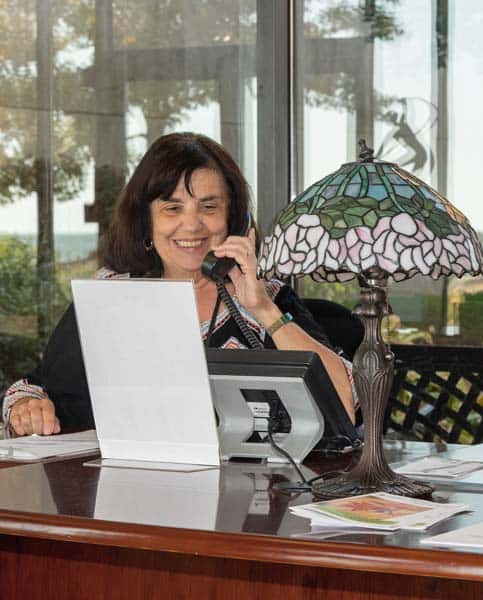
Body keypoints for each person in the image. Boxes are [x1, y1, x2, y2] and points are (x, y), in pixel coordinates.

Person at [3, 132, 355, 437]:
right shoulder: (111, 294)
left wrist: (263, 310)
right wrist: (27, 406)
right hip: (128, 494)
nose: (192, 226)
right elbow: (38, 387)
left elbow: (345, 405)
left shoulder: (269, 297)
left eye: (209, 206)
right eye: (173, 209)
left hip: (247, 500)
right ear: (147, 220)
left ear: (234, 218)